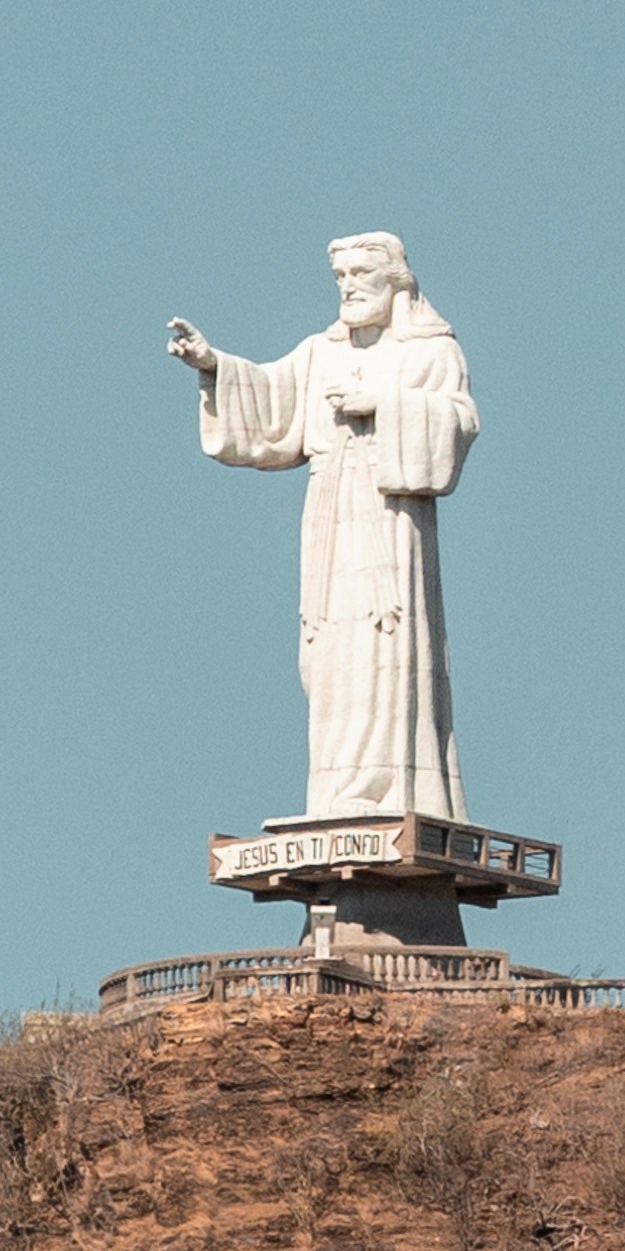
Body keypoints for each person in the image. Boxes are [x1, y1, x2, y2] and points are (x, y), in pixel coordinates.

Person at [168, 235, 478, 820]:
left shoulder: (429, 353)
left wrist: (382, 404)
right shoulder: (322, 353)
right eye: (341, 277)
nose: (350, 286)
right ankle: (337, 790)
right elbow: (270, 399)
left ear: (397, 282)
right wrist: (212, 365)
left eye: (363, 273)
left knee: (383, 647)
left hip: (389, 519)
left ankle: (390, 789)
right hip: (330, 516)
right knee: (330, 654)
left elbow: (458, 422)